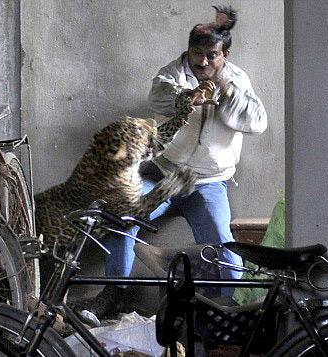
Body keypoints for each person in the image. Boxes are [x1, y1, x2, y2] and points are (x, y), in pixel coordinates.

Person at [83, 5, 267, 320]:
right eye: (198, 54)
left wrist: (224, 88)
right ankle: (117, 290)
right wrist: (189, 97)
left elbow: (257, 122)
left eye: (212, 55)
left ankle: (226, 314)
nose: (204, 61)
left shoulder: (237, 80)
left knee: (228, 254)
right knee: (120, 213)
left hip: (209, 183)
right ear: (188, 50)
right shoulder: (170, 74)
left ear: (225, 56)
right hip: (164, 174)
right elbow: (160, 99)